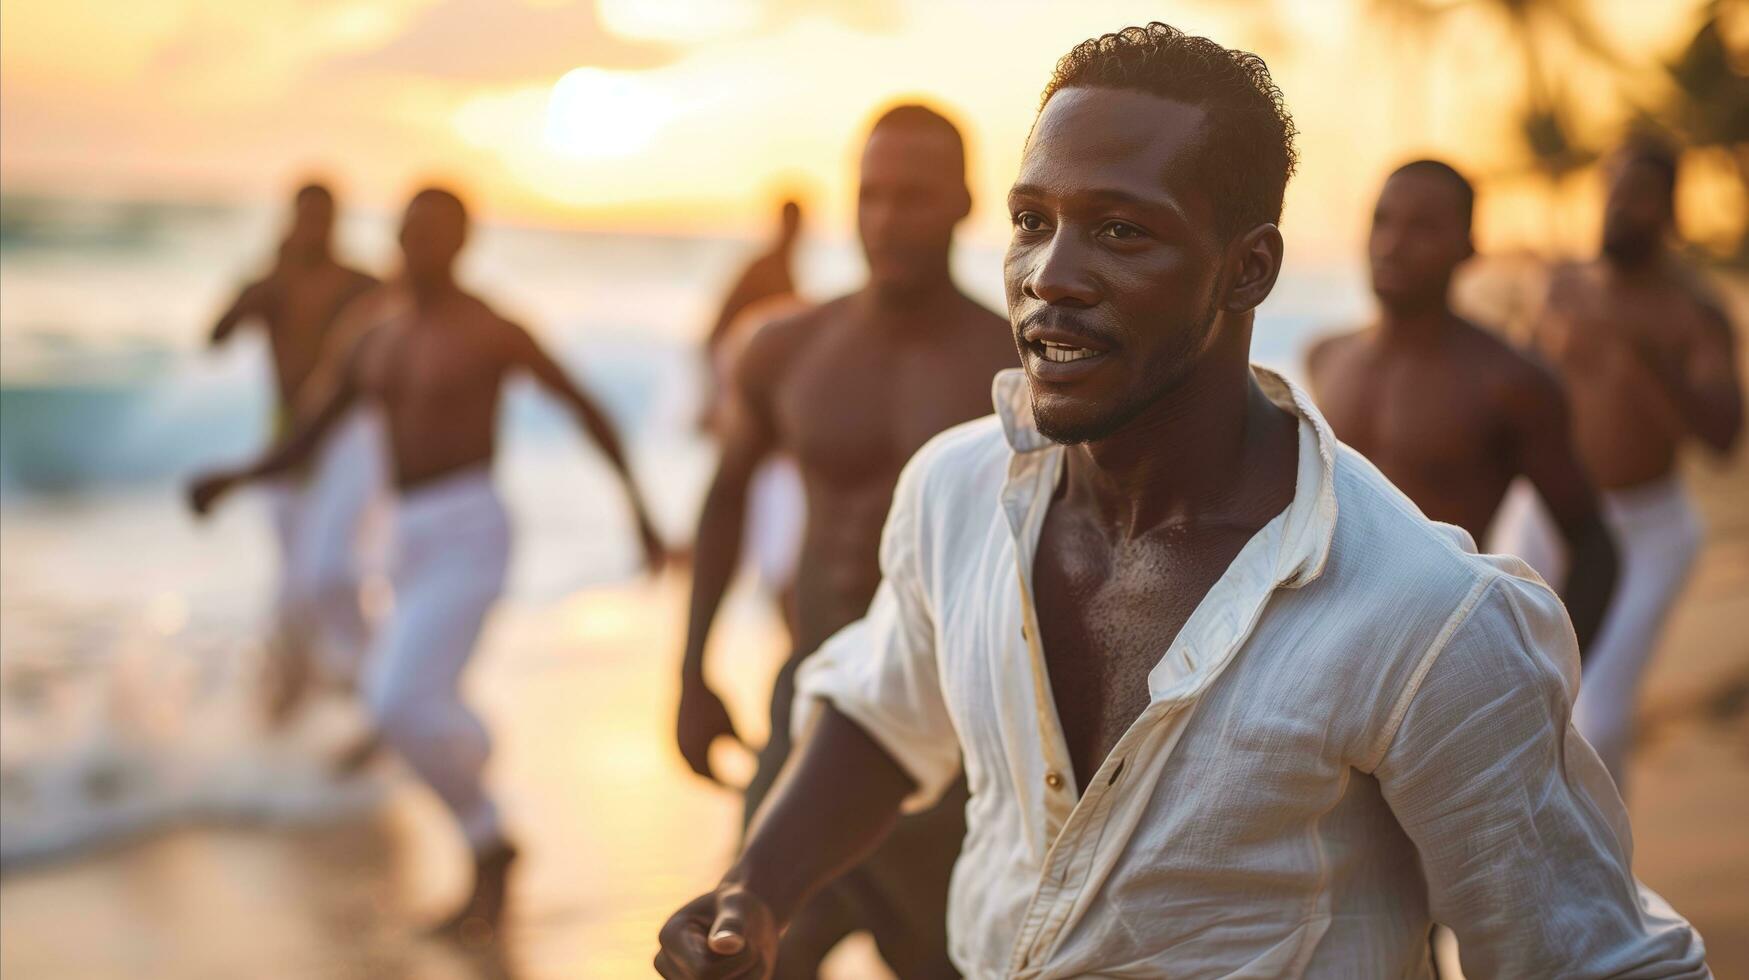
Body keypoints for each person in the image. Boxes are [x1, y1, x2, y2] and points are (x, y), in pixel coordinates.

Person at [655, 24, 1709, 980]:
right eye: (1034, 220)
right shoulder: (957, 489)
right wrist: (759, 884)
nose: (1050, 276)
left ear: (1245, 271)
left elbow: (1593, 956)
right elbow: (888, 711)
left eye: (1121, 231)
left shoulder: (1426, 616)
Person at [191, 187, 665, 940]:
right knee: (405, 695)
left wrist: (640, 512)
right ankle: (473, 757)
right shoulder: (374, 336)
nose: (419, 247)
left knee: (396, 703)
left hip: (470, 532)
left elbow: (585, 406)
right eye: (409, 232)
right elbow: (310, 432)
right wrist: (239, 476)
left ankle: (489, 842)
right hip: (403, 539)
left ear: (463, 243)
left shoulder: (489, 329)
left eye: (435, 234)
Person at [674, 105, 1014, 977]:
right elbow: (724, 502)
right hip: (809, 706)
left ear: (964, 202)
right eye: (870, 195)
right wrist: (690, 671)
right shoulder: (787, 347)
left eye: (913, 196)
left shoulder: (1014, 366)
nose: (886, 219)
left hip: (954, 740)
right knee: (745, 949)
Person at [1499, 138, 1743, 789]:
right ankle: (1521, 867)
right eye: (1611, 191)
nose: (1617, 208)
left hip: (1648, 529)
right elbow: (1523, 392)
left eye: (1637, 197)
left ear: (1669, 214)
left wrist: (1651, 361)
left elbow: (1722, 438)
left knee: (1599, 719)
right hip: (1550, 512)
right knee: (1509, 688)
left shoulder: (1690, 313)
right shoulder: (1561, 287)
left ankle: (1596, 885)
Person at [1307, 160, 1617, 654]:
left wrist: (1549, 678)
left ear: (1468, 248)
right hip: (1324, 642)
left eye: (1423, 227)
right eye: (1382, 221)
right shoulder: (1325, 357)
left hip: (1437, 652)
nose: (1392, 243)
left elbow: (1595, 549)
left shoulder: (1508, 381)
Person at [207, 182, 382, 722]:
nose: (313, 227)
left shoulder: (361, 284)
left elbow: (401, 338)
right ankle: (288, 702)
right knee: (289, 587)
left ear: (336, 221)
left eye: (322, 217)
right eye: (304, 216)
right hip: (285, 436)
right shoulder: (270, 284)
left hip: (346, 436)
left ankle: (372, 679)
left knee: (327, 569)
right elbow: (215, 337)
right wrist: (254, 287)